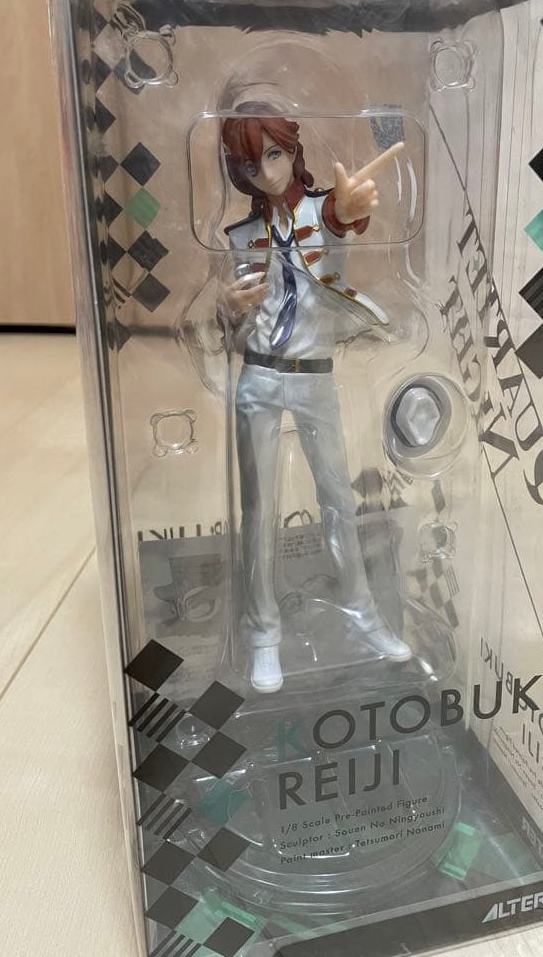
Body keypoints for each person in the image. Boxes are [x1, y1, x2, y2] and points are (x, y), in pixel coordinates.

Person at [219, 103, 411, 692]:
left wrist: (350, 210)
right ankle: (262, 634)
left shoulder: (320, 210)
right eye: (252, 164)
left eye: (274, 155)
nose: (266, 172)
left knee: (337, 499)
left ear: (292, 151)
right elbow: (227, 324)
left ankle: (363, 613)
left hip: (314, 375)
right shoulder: (242, 237)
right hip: (258, 375)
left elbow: (342, 216)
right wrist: (229, 308)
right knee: (258, 513)